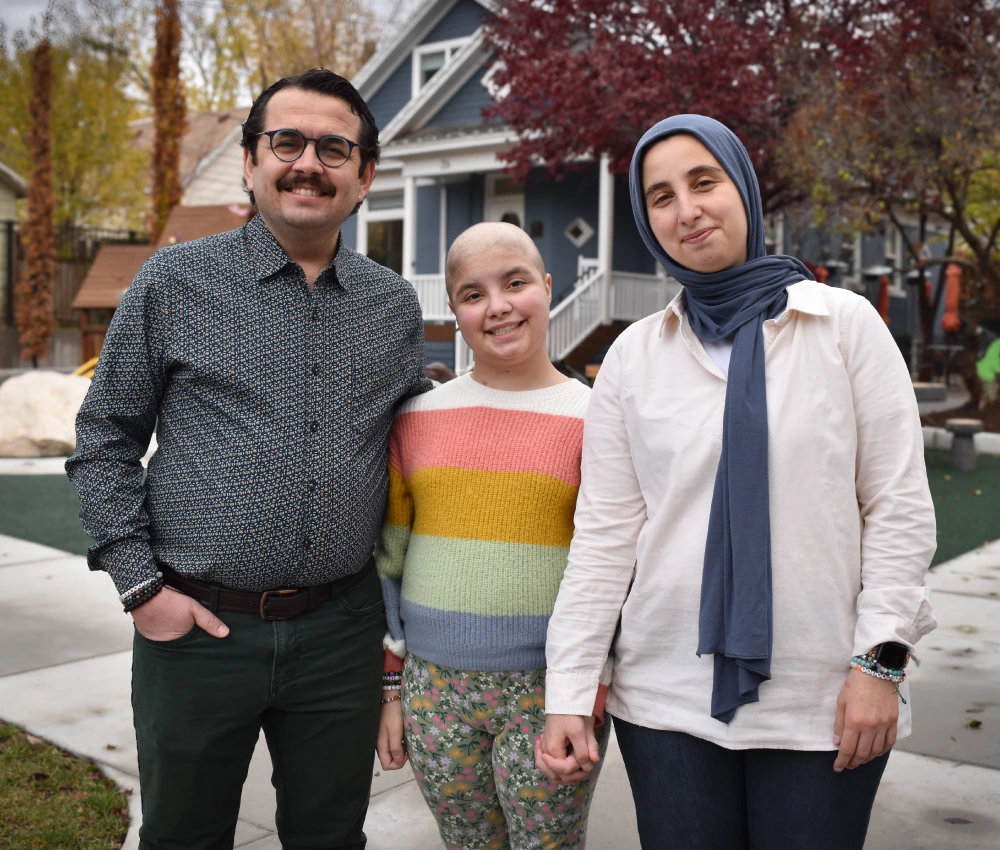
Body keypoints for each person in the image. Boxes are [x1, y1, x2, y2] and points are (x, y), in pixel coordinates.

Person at [536, 115, 937, 850]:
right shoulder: (633, 356)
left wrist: (881, 662)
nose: (685, 210)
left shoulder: (843, 327)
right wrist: (569, 687)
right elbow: (604, 537)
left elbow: (899, 508)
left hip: (827, 699)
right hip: (665, 702)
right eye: (660, 197)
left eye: (703, 182)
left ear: (742, 189)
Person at [66, 69, 431, 850]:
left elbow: (420, 444)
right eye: (287, 141)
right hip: (198, 632)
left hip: (341, 634)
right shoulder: (173, 283)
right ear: (248, 160)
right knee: (184, 836)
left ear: (364, 175)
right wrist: (141, 589)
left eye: (335, 147)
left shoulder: (393, 307)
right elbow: (104, 439)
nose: (309, 162)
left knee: (331, 838)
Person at [374, 222, 611, 850]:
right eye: (473, 294)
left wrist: (594, 688)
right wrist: (391, 690)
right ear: (453, 311)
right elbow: (389, 564)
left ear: (548, 287)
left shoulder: (595, 420)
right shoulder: (417, 418)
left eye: (515, 283)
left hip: (550, 691)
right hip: (436, 692)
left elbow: (617, 568)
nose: (498, 306)